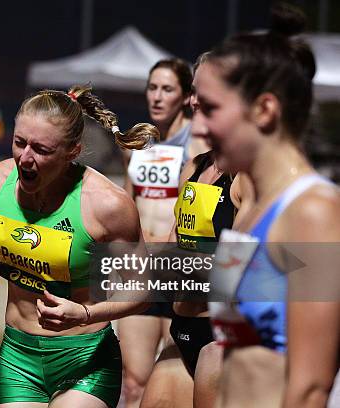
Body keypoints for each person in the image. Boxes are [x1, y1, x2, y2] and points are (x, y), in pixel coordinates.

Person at [0, 86, 155, 408]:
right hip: (17, 356)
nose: (25, 158)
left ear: (72, 151)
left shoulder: (106, 206)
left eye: (41, 149)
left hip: (85, 358)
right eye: (19, 142)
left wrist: (84, 313)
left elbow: (143, 291)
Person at [192, 4, 339, 407]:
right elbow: (228, 350)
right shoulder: (250, 205)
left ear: (264, 110)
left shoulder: (313, 213)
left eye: (211, 109)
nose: (198, 127)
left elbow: (310, 389)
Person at [139, 53, 255, 408]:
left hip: (220, 339)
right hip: (181, 331)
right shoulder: (193, 166)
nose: (191, 100)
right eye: (193, 91)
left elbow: (236, 276)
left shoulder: (245, 178)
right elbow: (174, 247)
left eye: (202, 91)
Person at [119, 58, 208, 407]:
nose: (157, 96)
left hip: (176, 273)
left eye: (167, 89)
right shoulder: (138, 142)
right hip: (138, 269)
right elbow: (128, 201)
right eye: (152, 87)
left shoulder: (199, 147)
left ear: (187, 96)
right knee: (135, 379)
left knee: (178, 375)